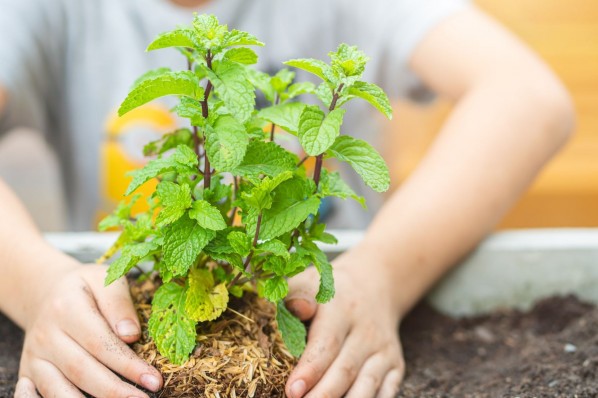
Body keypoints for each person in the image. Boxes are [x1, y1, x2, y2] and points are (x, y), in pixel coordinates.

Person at [0, 0, 574, 397]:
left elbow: (529, 98)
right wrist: (33, 283)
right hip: (128, 304)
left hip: (320, 301)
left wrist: (383, 275)